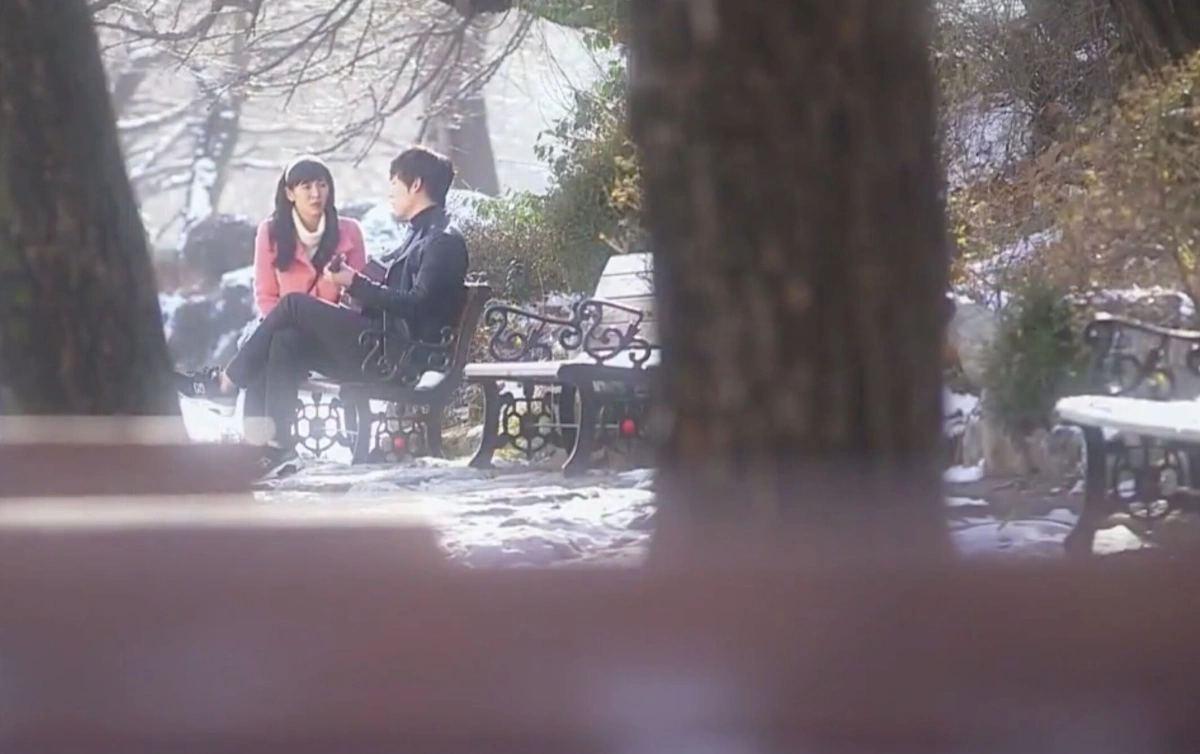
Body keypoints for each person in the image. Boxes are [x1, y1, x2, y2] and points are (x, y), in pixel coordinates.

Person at [175, 146, 470, 478]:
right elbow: (397, 296)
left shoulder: (442, 240)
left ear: (415, 185)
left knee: (294, 304)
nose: (390, 191)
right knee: (285, 339)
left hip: (399, 357)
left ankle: (226, 383)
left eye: (394, 182)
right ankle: (276, 447)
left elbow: (417, 306)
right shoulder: (420, 233)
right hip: (384, 345)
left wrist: (354, 284)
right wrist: (354, 288)